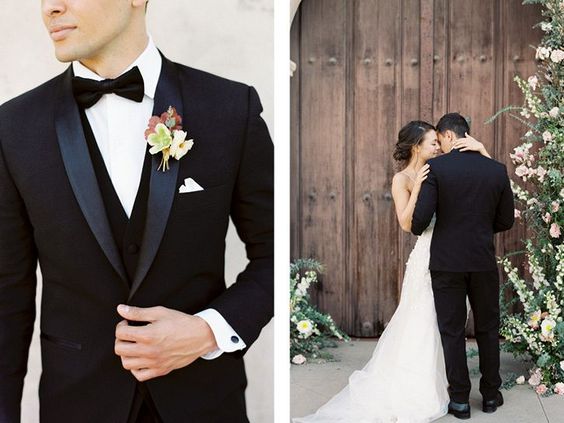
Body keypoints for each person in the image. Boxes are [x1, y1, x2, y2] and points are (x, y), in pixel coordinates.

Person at [0, 1, 273, 422]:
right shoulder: (14, 127)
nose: (51, 7)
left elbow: (278, 253)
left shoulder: (229, 107)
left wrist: (209, 330)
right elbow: (7, 297)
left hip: (203, 404)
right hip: (76, 406)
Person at [293, 120, 490, 423]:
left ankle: (449, 379)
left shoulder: (444, 171)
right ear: (417, 147)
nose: (438, 146)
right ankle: (421, 383)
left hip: (453, 255)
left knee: (449, 321)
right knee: (423, 318)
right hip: (427, 255)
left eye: (439, 142)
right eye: (432, 143)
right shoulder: (404, 178)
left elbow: (486, 181)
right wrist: (420, 187)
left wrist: (481, 150)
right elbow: (406, 223)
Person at [412, 113, 514, 419]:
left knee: (452, 331)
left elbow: (418, 223)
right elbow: (506, 220)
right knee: (488, 328)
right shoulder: (496, 169)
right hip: (482, 260)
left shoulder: (437, 168)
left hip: (447, 262)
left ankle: (458, 400)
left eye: (439, 140)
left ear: (447, 136)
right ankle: (491, 396)